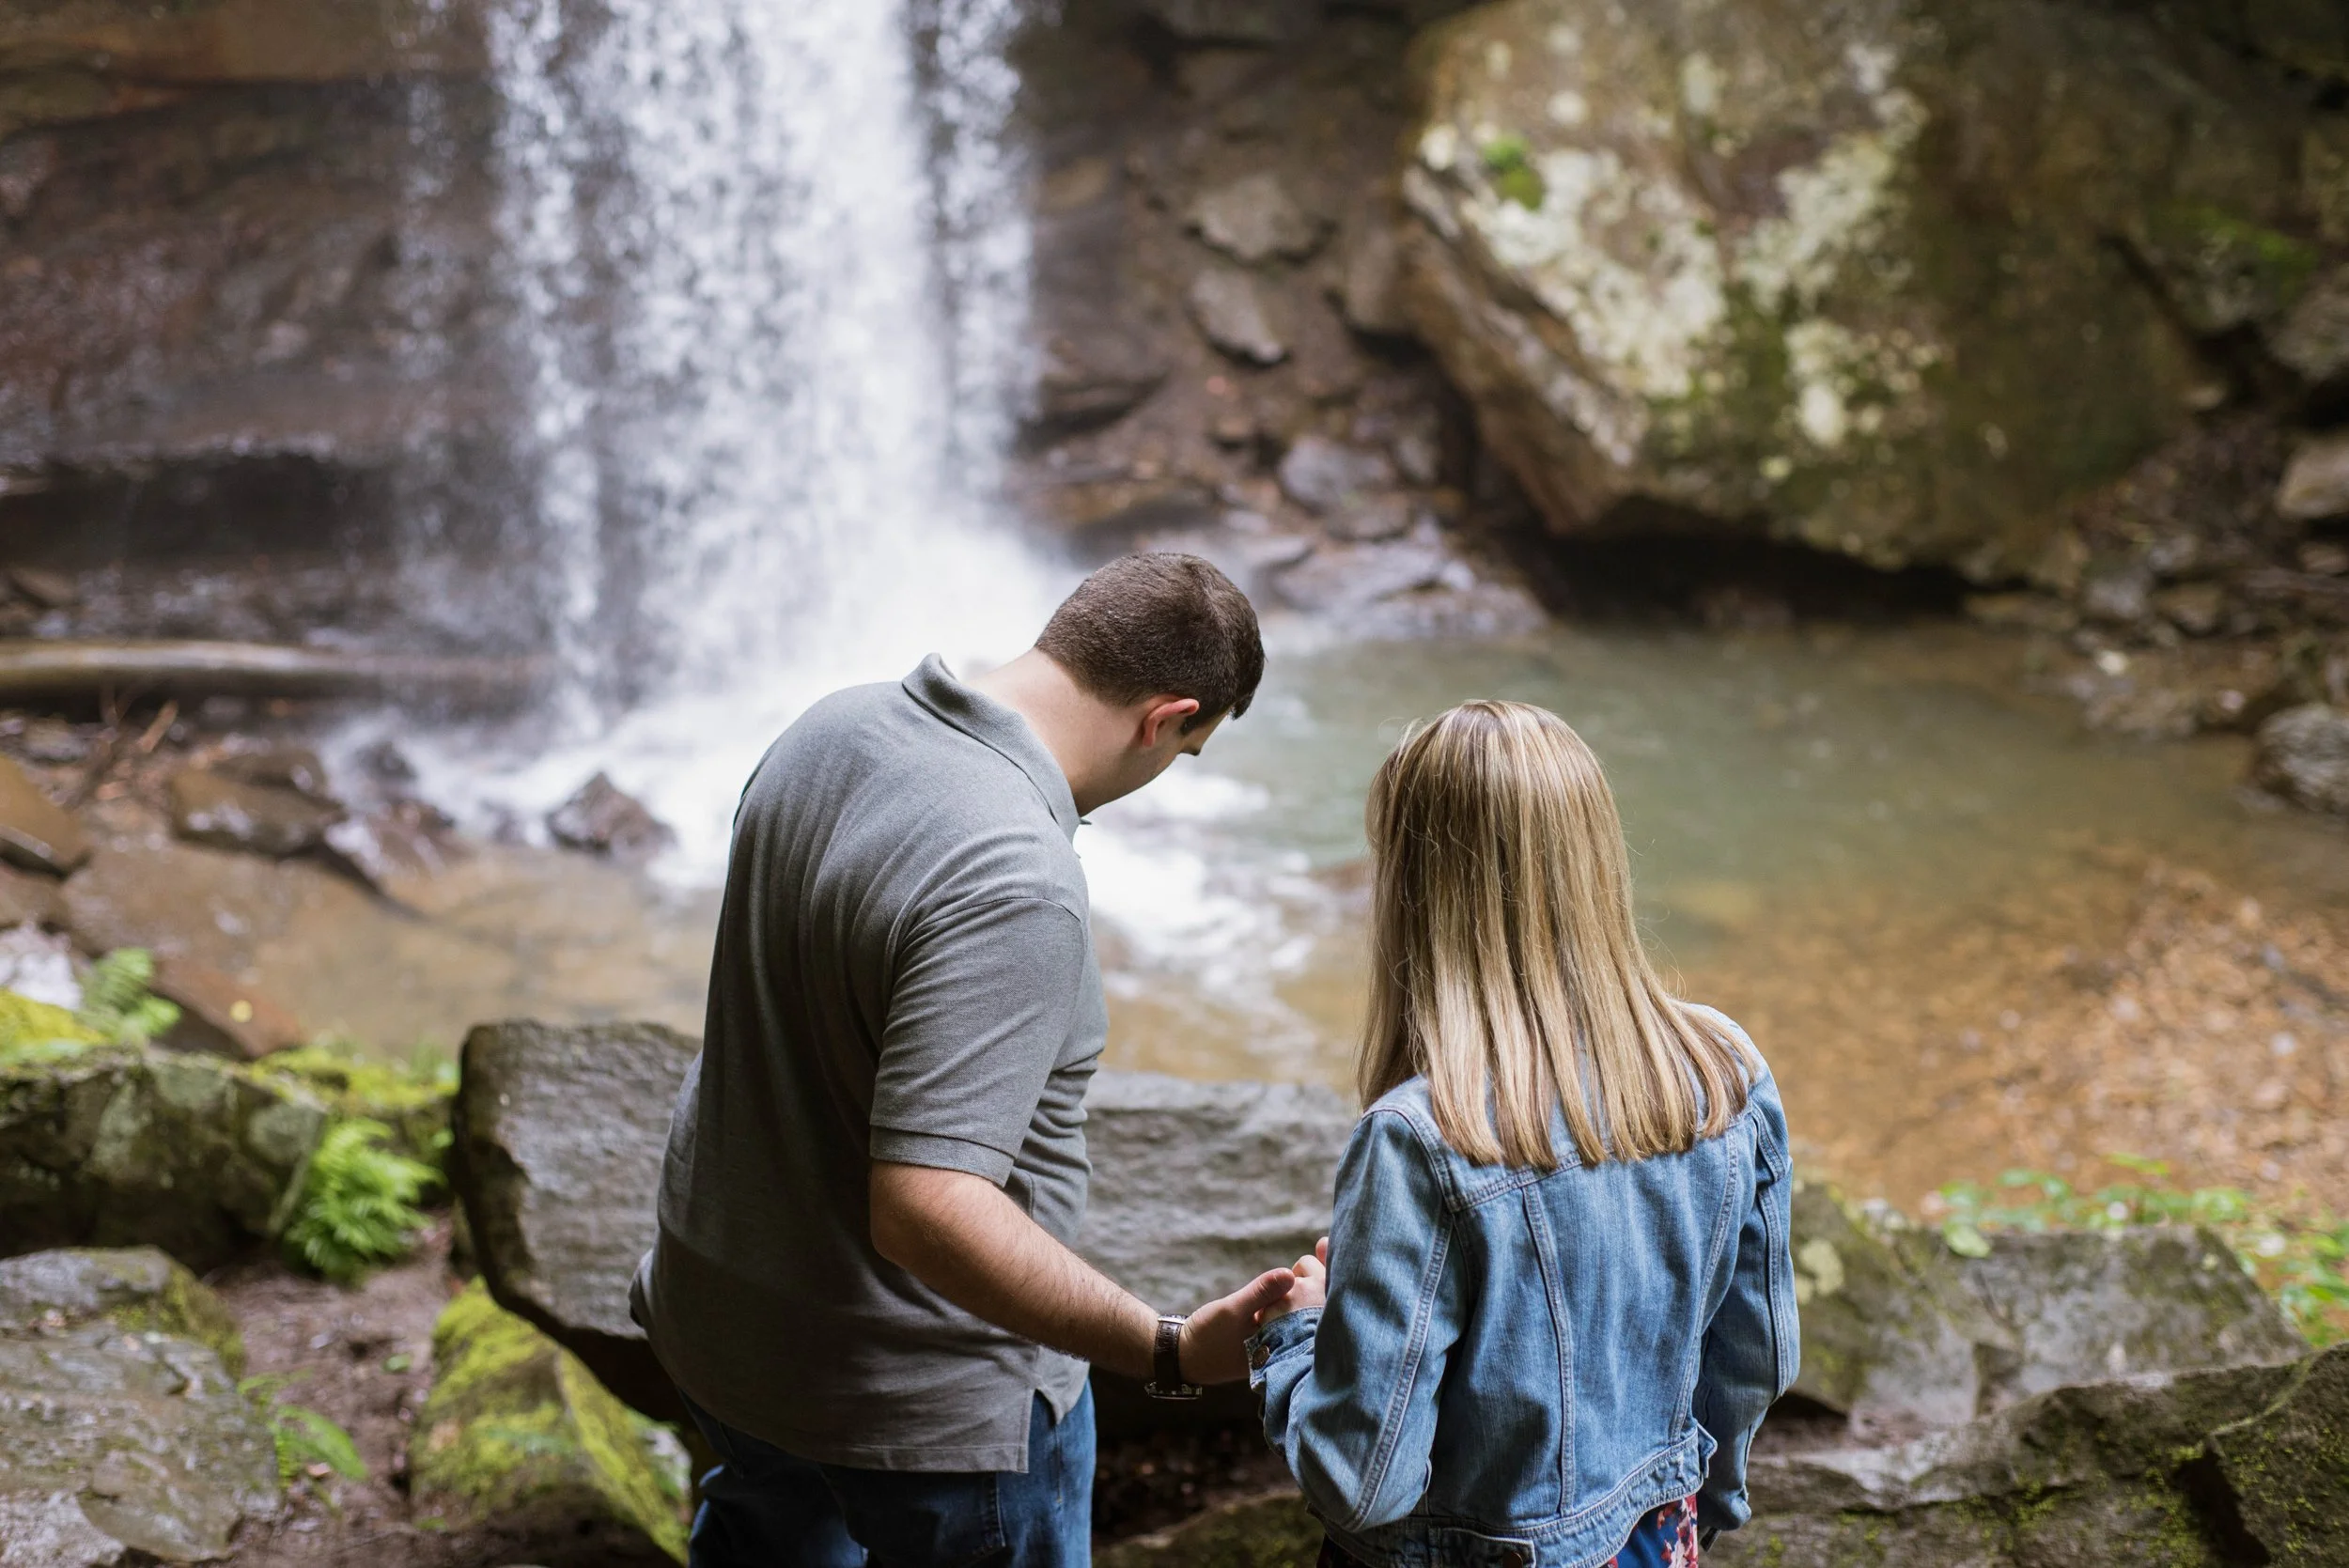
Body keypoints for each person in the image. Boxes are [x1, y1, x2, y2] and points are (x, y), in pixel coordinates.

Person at [631, 553, 1299, 1567]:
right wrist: (1163, 1350)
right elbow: (925, 1205)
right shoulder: (1016, 878)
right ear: (1165, 717)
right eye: (1188, 749)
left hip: (723, 1326)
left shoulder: (830, 727)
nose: (1169, 768)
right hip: (924, 1409)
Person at [1249, 700, 1799, 1568]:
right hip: (1654, 1542)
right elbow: (1756, 1353)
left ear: (1413, 888)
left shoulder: (1423, 1136)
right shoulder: (1723, 1069)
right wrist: (1702, 1507)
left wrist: (1298, 1335)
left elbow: (1361, 1481)